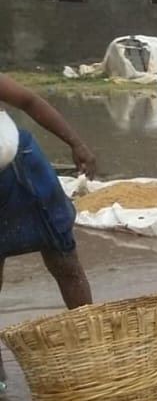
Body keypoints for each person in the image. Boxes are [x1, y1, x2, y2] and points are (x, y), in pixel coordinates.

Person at [0, 74, 96, 314]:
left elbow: (29, 101)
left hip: (22, 171)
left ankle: (89, 336)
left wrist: (77, 144)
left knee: (64, 261)